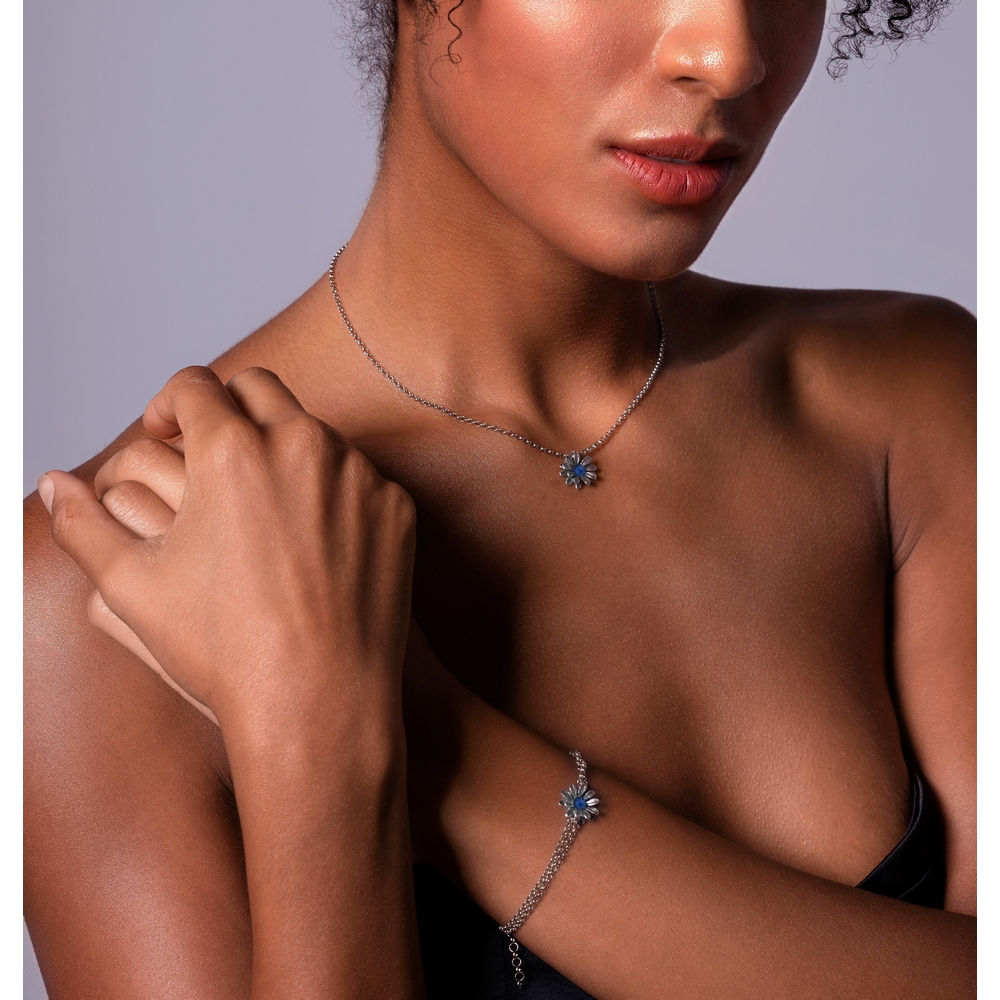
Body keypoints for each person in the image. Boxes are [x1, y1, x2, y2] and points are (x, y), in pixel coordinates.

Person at [24, 0, 975, 996]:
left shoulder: (911, 408)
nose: (728, 55)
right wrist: (325, 767)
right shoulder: (106, 583)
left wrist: (423, 742)